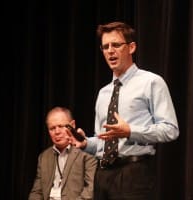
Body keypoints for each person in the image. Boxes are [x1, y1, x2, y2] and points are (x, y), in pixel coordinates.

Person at [75, 21, 179, 200]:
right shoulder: (103, 93)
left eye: (116, 45)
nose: (110, 51)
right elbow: (104, 141)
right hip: (102, 176)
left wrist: (130, 132)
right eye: (105, 46)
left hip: (133, 174)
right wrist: (86, 144)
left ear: (131, 47)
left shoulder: (151, 82)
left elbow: (170, 129)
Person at [28, 106, 97, 200]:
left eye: (61, 126)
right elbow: (37, 191)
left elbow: (90, 190)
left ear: (72, 125)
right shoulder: (44, 157)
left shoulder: (86, 154)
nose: (57, 132)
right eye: (52, 128)